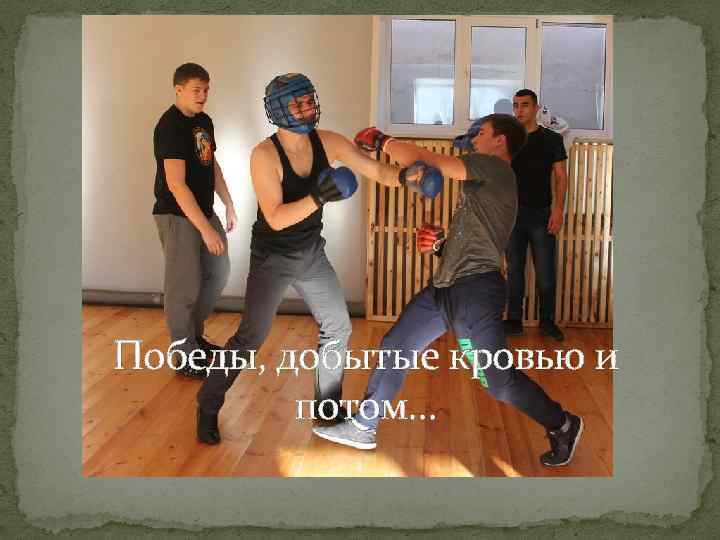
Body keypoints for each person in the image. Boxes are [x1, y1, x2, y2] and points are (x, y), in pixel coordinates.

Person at [312, 115, 583, 467]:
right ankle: (364, 426)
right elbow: (477, 240)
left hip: (474, 292)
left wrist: (381, 141)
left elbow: (427, 160)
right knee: (396, 345)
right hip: (443, 288)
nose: (474, 139)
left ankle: (563, 424)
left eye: (481, 133)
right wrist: (440, 245)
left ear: (500, 140)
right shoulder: (482, 187)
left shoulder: (496, 168)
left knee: (497, 381)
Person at [196, 73, 443, 444]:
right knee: (249, 339)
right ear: (279, 110)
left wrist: (408, 177)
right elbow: (276, 218)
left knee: (338, 327)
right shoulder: (264, 155)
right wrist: (319, 196)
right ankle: (207, 404)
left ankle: (328, 411)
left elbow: (376, 170)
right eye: (298, 103)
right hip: (273, 257)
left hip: (311, 253)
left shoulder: (328, 141)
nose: (307, 108)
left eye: (308, 100)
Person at [152, 62, 236, 379]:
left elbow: (210, 163)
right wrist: (205, 229)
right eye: (196, 90)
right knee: (183, 289)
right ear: (179, 89)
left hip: (203, 210)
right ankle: (184, 356)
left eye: (206, 90)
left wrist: (228, 203)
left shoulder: (204, 122)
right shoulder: (170, 126)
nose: (203, 95)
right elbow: (176, 184)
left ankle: (194, 338)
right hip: (177, 216)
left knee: (217, 272)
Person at [505, 89, 568, 340]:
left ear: (536, 108)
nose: (519, 110)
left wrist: (558, 210)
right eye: (516, 105)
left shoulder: (552, 139)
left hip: (542, 215)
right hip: (512, 215)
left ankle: (547, 321)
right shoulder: (508, 141)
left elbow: (561, 178)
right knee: (514, 269)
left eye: (525, 105)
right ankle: (514, 320)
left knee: (545, 272)